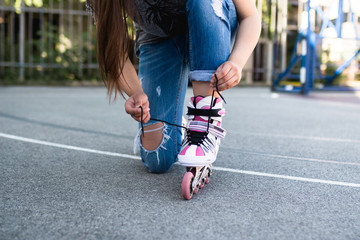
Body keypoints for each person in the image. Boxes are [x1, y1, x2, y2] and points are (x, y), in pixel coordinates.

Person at [86, 0, 261, 173]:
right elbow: (114, 52)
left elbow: (250, 16)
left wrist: (237, 62)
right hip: (160, 38)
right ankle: (180, 125)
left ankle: (205, 118)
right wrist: (136, 92)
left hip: (210, 19)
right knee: (157, 159)